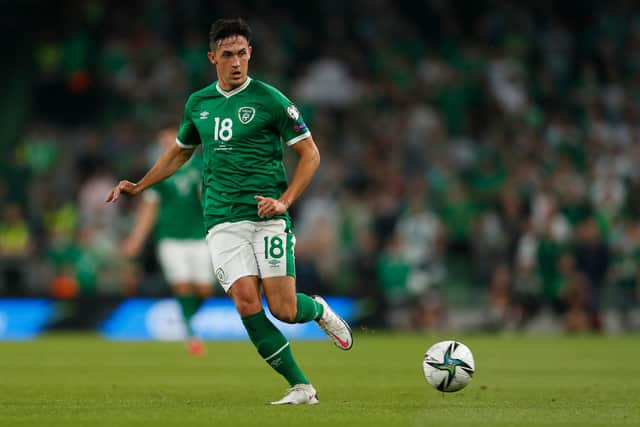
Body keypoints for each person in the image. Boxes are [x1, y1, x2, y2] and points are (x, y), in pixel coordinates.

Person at [106, 18, 353, 405]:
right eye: (227, 55)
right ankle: (302, 386)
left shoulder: (272, 100)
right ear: (212, 58)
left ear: (250, 54)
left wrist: (285, 200)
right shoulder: (198, 103)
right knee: (245, 301)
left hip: (268, 217)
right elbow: (179, 152)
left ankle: (318, 309)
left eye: (242, 53)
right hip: (221, 220)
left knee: (285, 310)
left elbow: (310, 154)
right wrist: (140, 185)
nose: (236, 62)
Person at [121, 126, 214, 356]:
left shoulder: (202, 165)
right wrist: (136, 238)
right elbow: (150, 208)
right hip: (170, 237)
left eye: (169, 141)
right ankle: (191, 334)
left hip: (200, 236)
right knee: (182, 284)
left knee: (204, 289)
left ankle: (187, 319)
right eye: (161, 143)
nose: (165, 147)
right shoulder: (160, 171)